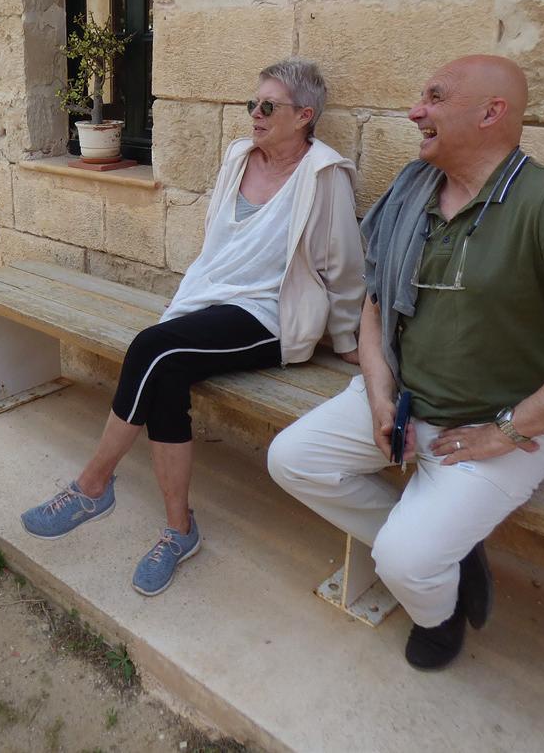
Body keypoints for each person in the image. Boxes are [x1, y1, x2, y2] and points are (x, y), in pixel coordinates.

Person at [267, 55, 544, 670]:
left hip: (501, 427)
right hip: (404, 397)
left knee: (403, 559)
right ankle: (448, 548)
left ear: (490, 112)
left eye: (435, 97)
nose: (414, 111)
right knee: (292, 460)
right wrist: (379, 394)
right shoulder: (412, 191)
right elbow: (375, 305)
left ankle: (437, 612)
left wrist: (508, 430)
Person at [20, 58, 365, 596]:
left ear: (304, 116)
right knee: (167, 373)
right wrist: (187, 306)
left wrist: (345, 340)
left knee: (151, 349)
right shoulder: (238, 157)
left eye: (267, 106)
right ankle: (179, 531)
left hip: (270, 315)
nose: (255, 114)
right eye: (252, 103)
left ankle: (92, 486)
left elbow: (344, 264)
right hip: (209, 303)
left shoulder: (324, 175)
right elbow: (215, 245)